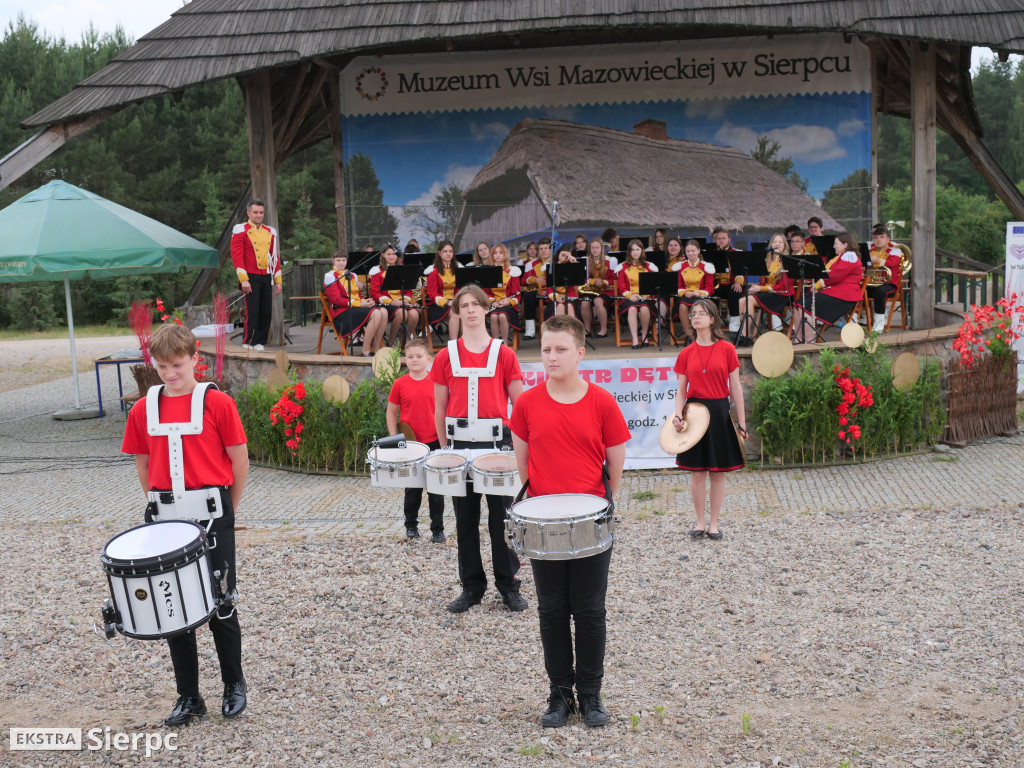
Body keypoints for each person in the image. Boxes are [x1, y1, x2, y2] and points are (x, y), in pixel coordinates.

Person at [121, 323, 249, 726]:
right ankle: (189, 697)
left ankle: (233, 685)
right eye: (161, 367)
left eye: (177, 365)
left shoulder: (218, 403)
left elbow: (239, 459)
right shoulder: (143, 408)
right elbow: (142, 463)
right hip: (164, 517)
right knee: (171, 607)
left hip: (213, 514)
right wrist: (155, 506)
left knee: (221, 602)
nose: (170, 374)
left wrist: (229, 509)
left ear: (197, 358)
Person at [510, 314, 629, 729]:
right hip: (544, 525)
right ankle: (560, 695)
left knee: (591, 610)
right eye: (545, 349)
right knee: (553, 610)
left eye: (561, 349)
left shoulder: (602, 401)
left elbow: (614, 468)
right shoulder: (526, 403)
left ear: (580, 353)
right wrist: (547, 508)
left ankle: (591, 695)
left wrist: (589, 505)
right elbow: (523, 465)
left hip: (592, 522)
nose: (552, 356)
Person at [432, 285, 527, 614]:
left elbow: (522, 404)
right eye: (464, 305)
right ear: (456, 312)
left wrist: (521, 448)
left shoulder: (504, 354)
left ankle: (508, 586)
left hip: (497, 447)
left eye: (477, 304)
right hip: (459, 448)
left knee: (503, 520)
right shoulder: (445, 355)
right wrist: (445, 451)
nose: (471, 310)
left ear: (486, 309)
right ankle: (471, 587)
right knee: (465, 520)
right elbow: (439, 408)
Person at [671, 298, 747, 540]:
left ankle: (714, 523)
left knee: (717, 472)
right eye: (693, 313)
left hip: (719, 412)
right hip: (694, 413)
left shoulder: (727, 349)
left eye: (701, 313)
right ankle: (700, 521)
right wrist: (677, 414)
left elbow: (735, 388)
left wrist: (742, 422)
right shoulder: (686, 353)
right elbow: (681, 390)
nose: (695, 317)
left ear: (712, 319)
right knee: (696, 473)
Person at [387, 338, 446, 543]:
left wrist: (446, 442)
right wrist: (395, 439)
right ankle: (411, 527)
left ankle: (437, 529)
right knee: (412, 489)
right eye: (410, 356)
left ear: (429, 359)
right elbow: (391, 412)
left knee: (436, 490)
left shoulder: (437, 383)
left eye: (419, 356)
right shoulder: (400, 383)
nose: (414, 360)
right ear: (405, 359)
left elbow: (446, 411)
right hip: (410, 444)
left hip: (435, 443)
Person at [790, 233, 864, 344]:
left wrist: (818, 286)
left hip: (843, 297)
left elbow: (834, 276)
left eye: (836, 244)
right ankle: (799, 338)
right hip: (833, 293)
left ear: (845, 245)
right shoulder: (839, 257)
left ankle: (809, 341)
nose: (833, 246)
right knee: (797, 305)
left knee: (804, 307)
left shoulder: (850, 256)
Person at [231, 199, 282, 350]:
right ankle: (249, 341)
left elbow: (275, 257)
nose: (259, 215)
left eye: (261, 212)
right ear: (248, 213)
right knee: (253, 311)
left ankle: (260, 341)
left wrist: (278, 280)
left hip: (266, 276)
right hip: (250, 276)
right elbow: (237, 257)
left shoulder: (270, 231)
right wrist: (244, 280)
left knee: (266, 312)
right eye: (255, 212)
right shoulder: (240, 230)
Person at [323, 249, 387, 357]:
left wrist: (365, 301)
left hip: (355, 309)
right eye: (338, 260)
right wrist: (360, 304)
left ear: (347, 261)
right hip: (341, 312)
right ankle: (365, 350)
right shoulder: (330, 276)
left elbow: (358, 296)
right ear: (333, 261)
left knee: (384, 312)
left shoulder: (352, 275)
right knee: (376, 313)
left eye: (343, 260)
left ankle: (375, 349)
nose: (341, 263)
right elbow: (336, 300)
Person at [736, 233, 793, 344]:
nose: (776, 244)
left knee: (749, 300)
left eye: (780, 242)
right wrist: (757, 287)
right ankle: (745, 334)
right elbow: (764, 282)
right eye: (774, 242)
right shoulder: (768, 260)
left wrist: (761, 289)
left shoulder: (787, 261)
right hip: (770, 293)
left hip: (782, 295)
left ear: (785, 246)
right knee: (742, 300)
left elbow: (783, 286)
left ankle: (745, 335)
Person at [371, 245, 421, 347]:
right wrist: (391, 302)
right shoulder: (377, 272)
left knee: (414, 314)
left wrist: (405, 299)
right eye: (389, 254)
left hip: (402, 302)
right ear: (383, 255)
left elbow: (408, 290)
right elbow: (375, 293)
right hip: (386, 304)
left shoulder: (403, 269)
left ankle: (405, 339)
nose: (392, 256)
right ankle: (391, 340)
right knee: (402, 313)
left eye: (394, 254)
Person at [616, 239, 655, 349]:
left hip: (645, 297)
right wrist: (630, 296)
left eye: (638, 249)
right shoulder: (623, 267)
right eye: (632, 250)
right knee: (632, 309)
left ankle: (644, 336)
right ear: (629, 252)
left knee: (644, 309)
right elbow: (621, 287)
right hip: (629, 297)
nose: (635, 252)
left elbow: (651, 285)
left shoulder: (649, 267)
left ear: (642, 251)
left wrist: (642, 296)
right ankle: (634, 339)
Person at [675, 239, 715, 344]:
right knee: (682, 306)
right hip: (686, 296)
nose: (690, 253)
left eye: (693, 251)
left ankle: (702, 336)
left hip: (701, 297)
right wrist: (684, 292)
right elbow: (678, 286)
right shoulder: (680, 266)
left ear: (698, 251)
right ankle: (688, 335)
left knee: (701, 307)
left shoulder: (706, 267)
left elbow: (710, 288)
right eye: (688, 251)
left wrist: (700, 292)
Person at [867, 224, 903, 332]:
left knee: (880, 292)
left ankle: (878, 324)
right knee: (855, 289)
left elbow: (891, 263)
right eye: (876, 237)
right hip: (871, 283)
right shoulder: (870, 250)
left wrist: (876, 260)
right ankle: (853, 321)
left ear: (888, 239)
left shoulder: (895, 250)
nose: (878, 240)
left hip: (889, 285)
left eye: (882, 237)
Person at [708, 227, 743, 335]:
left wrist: (738, 283)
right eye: (718, 238)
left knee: (735, 292)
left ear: (729, 239)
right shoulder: (710, 254)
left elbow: (740, 272)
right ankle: (712, 325)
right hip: (715, 284)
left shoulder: (736, 253)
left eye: (723, 238)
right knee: (709, 295)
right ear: (715, 240)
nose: (721, 240)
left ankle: (734, 326)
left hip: (730, 284)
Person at [485, 243, 522, 344]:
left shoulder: (512, 271)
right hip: (493, 304)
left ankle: (504, 343)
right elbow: (486, 292)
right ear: (492, 255)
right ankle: (496, 344)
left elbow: (517, 294)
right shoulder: (488, 271)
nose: (497, 255)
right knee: (493, 317)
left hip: (507, 304)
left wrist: (507, 302)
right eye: (495, 253)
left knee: (501, 316)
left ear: (505, 255)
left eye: (500, 253)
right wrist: (492, 302)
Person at [426, 240, 461, 341]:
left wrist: (457, 300)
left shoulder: (458, 269)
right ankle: (453, 344)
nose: (448, 253)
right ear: (439, 253)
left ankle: (464, 343)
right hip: (439, 305)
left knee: (466, 311)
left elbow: (460, 289)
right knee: (455, 312)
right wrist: (447, 302)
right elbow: (432, 294)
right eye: (445, 251)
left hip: (455, 302)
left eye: (450, 251)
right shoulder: (433, 271)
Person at [580, 237, 613, 338]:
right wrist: (592, 281)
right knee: (584, 302)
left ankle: (604, 329)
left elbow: (614, 279)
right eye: (592, 247)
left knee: (598, 301)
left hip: (606, 290)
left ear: (602, 249)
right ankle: (588, 329)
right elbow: (580, 279)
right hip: (590, 290)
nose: (594, 250)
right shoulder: (585, 261)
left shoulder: (610, 261)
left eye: (597, 247)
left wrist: (604, 282)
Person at [521, 237, 551, 339]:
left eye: (546, 248)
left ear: (550, 249)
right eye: (541, 249)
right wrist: (535, 280)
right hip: (538, 292)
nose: (543, 251)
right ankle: (530, 331)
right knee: (528, 297)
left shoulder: (556, 262)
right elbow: (523, 280)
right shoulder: (532, 264)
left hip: (553, 292)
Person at [544, 243, 580, 320]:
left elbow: (575, 285)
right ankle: (560, 330)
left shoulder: (571, 266)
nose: (564, 259)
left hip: (569, 296)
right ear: (558, 253)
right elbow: (549, 288)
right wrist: (556, 297)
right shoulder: (551, 266)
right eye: (562, 255)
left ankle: (572, 330)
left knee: (570, 306)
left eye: (567, 257)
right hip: (554, 296)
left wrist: (574, 265)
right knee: (560, 306)